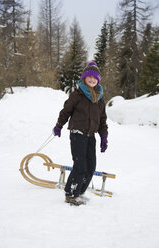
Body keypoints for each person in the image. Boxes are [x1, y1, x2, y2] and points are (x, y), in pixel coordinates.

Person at [53, 62, 108, 206]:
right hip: (77, 134)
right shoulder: (77, 95)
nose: (92, 79)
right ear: (84, 78)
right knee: (80, 165)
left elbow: (102, 120)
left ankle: (79, 191)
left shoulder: (100, 99)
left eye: (94, 78)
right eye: (89, 77)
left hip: (91, 136)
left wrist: (104, 136)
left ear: (98, 80)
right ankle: (71, 194)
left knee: (91, 166)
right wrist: (59, 125)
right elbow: (66, 111)